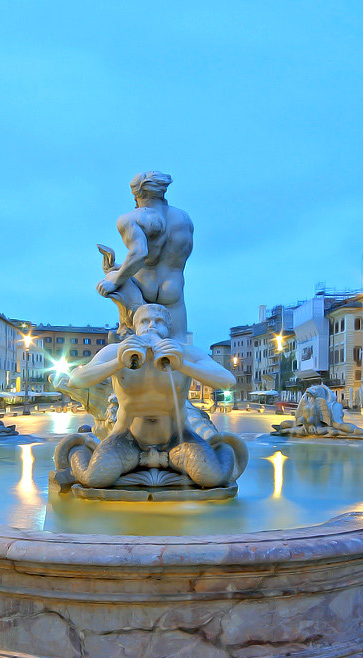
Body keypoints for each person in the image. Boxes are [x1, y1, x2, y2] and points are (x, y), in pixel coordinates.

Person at [63, 303, 238, 488]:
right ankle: (81, 447)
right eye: (145, 321)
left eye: (159, 321)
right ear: (135, 327)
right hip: (128, 437)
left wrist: (181, 364)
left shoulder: (185, 352)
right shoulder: (116, 351)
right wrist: (118, 362)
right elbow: (76, 381)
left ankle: (221, 448)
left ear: (168, 328)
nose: (151, 326)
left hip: (177, 438)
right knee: (94, 478)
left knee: (213, 478)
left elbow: (228, 381)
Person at [96, 171, 192, 341]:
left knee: (135, 350)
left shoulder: (130, 218)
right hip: (173, 289)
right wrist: (120, 267)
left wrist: (114, 279)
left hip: (143, 289)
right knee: (178, 351)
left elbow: (140, 254)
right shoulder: (184, 219)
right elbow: (167, 259)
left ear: (137, 194)